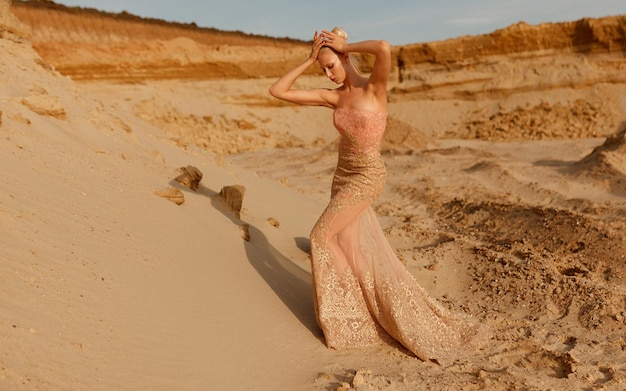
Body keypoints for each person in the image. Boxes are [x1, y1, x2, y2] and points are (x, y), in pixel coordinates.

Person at [269, 28, 485, 365]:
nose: (327, 73)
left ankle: (350, 315)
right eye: (322, 70)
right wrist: (310, 58)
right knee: (347, 246)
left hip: (367, 176)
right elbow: (277, 90)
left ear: (345, 57)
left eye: (330, 65)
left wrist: (344, 45)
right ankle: (362, 312)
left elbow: (383, 48)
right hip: (342, 177)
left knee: (319, 237)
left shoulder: (375, 88)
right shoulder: (334, 96)